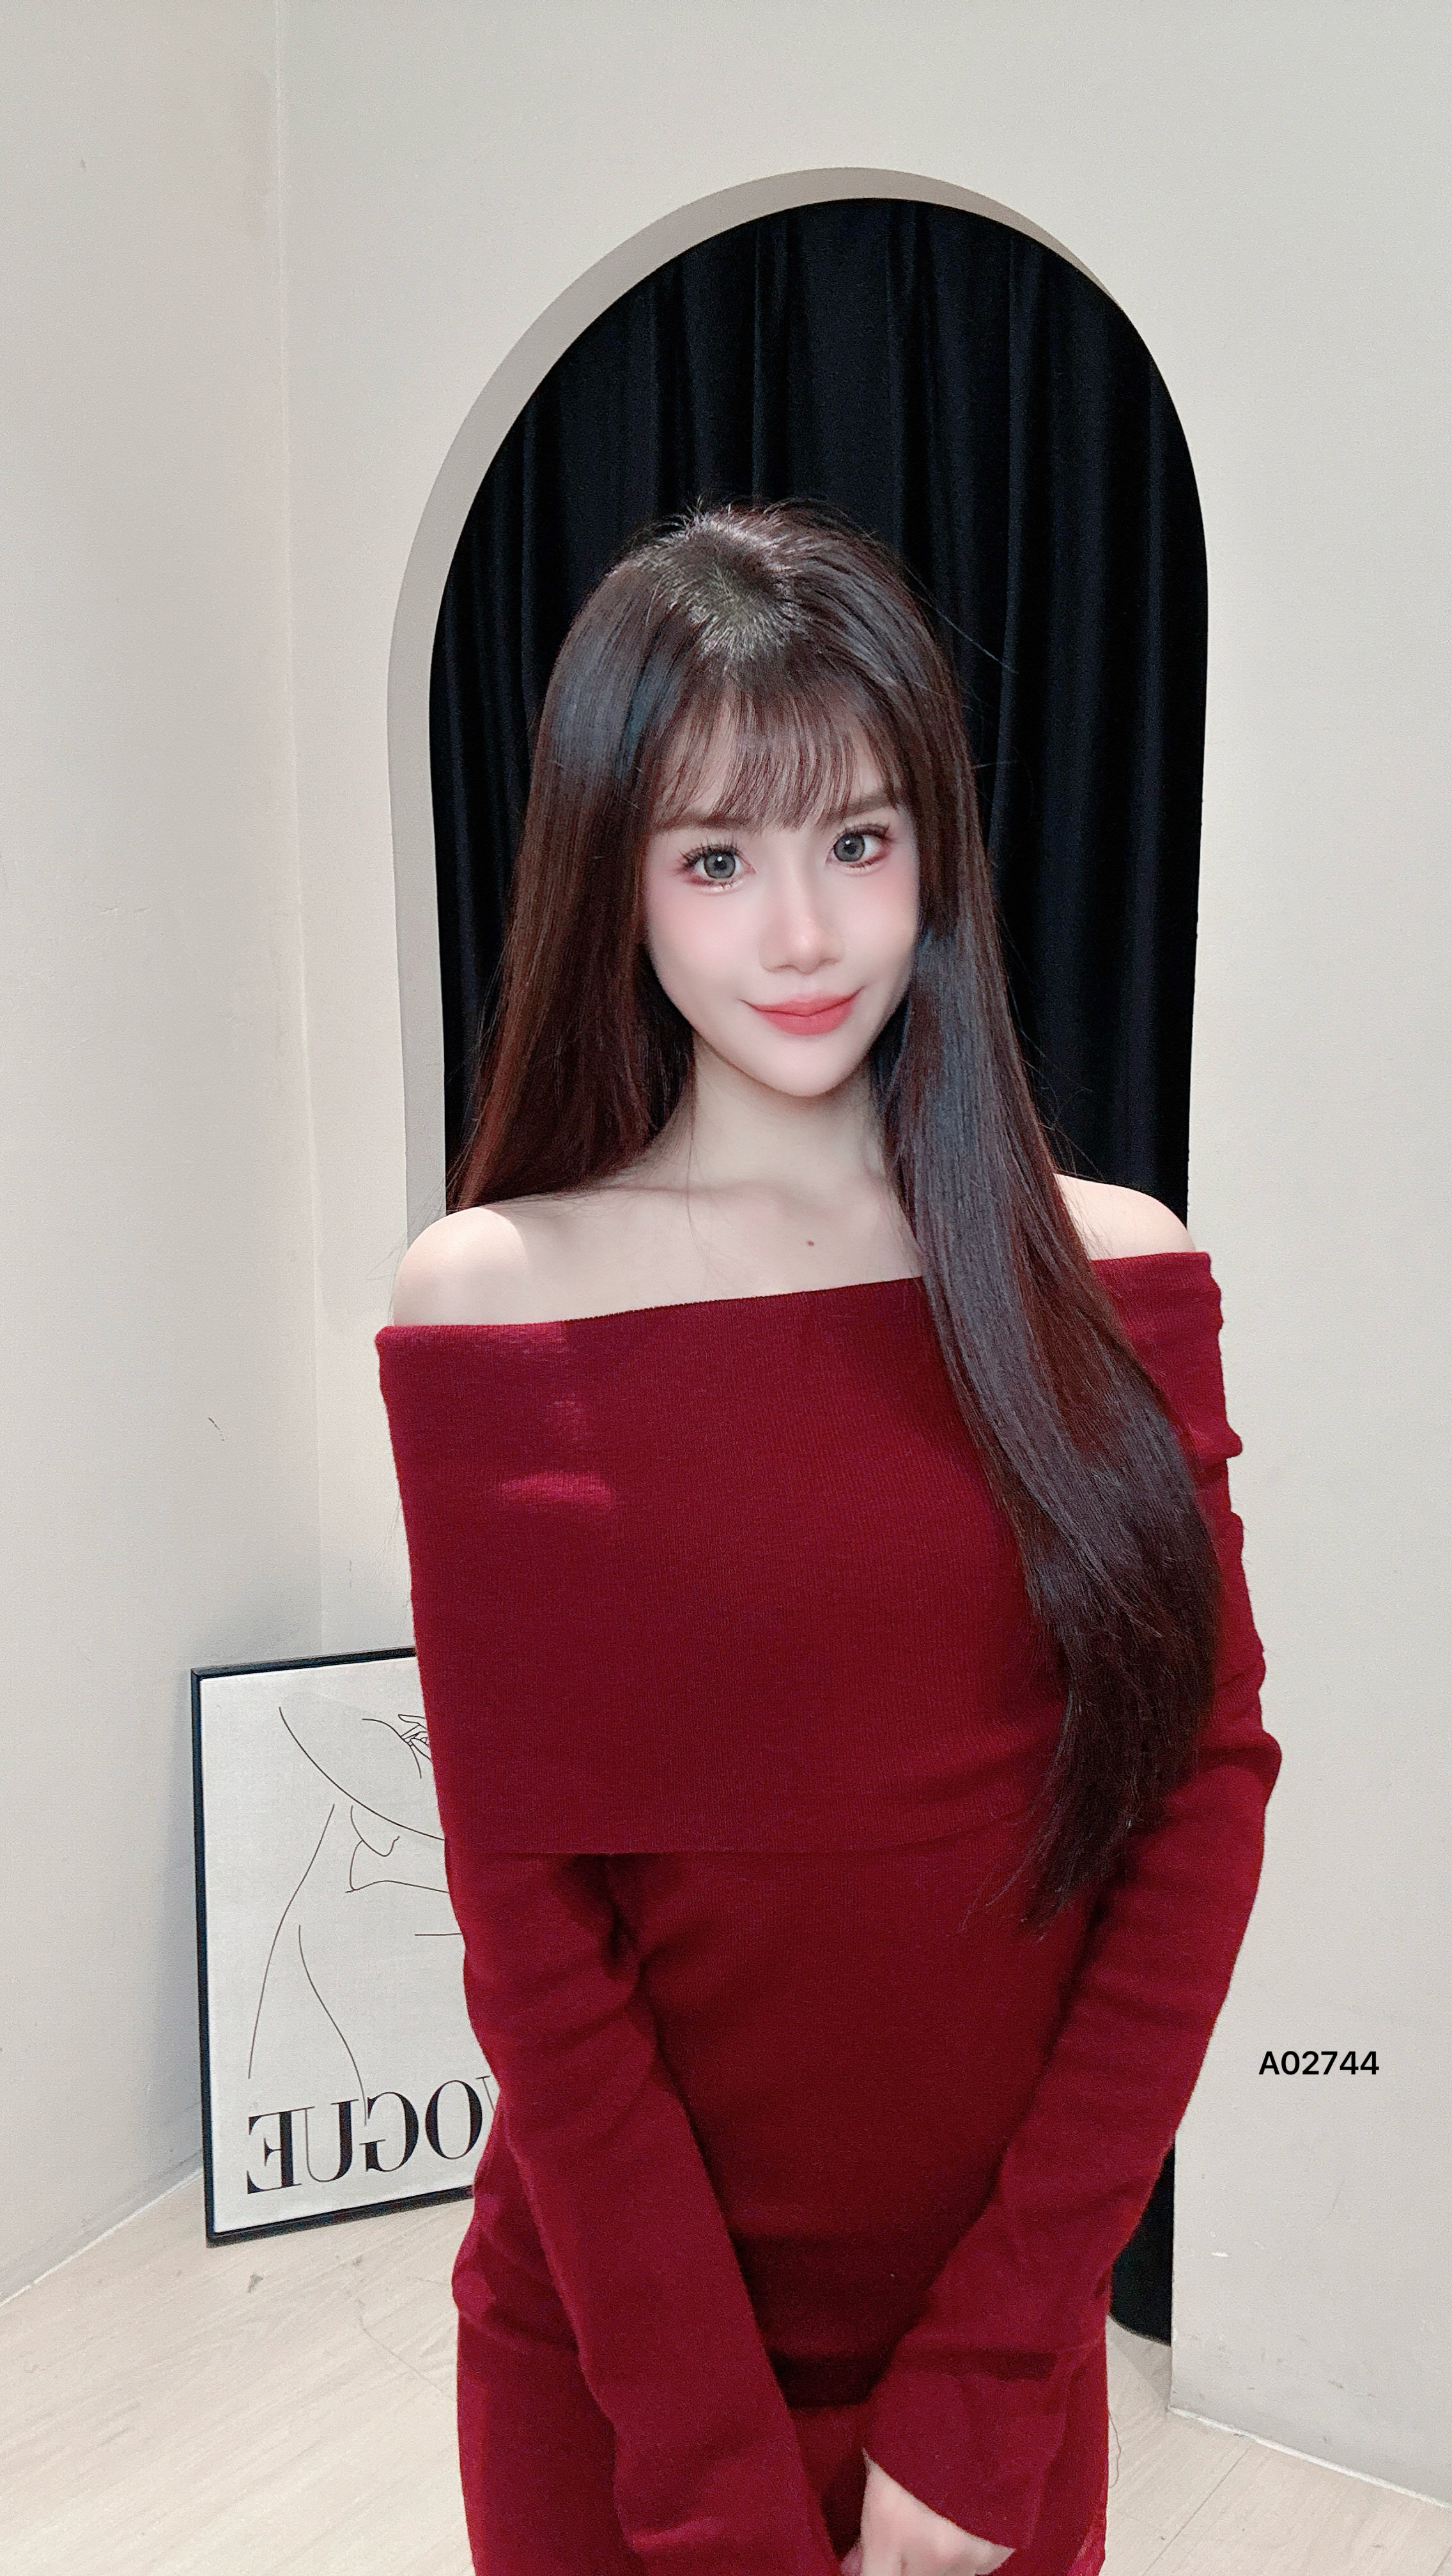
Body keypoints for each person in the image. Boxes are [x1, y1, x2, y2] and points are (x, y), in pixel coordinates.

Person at [376, 500, 1281, 2576]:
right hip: (621, 2367)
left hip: (990, 2360)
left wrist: (995, 2375)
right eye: (716, 859)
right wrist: (710, 2477)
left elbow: (1200, 1806)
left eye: (857, 842)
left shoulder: (1114, 1271)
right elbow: (534, 1925)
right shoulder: (496, 1300)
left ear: (933, 852)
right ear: (613, 877)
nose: (801, 935)